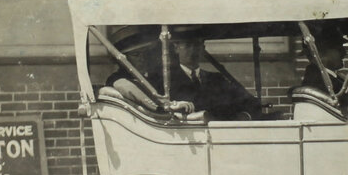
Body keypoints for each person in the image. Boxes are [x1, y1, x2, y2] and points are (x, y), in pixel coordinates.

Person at [108, 35, 260, 120]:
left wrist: (244, 116)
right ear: (176, 48)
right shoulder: (160, 81)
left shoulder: (217, 79)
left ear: (203, 48)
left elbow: (250, 103)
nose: (193, 51)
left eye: (197, 45)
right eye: (187, 45)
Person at [301, 24, 347, 94]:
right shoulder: (321, 83)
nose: (344, 53)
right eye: (338, 49)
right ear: (320, 54)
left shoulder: (333, 78)